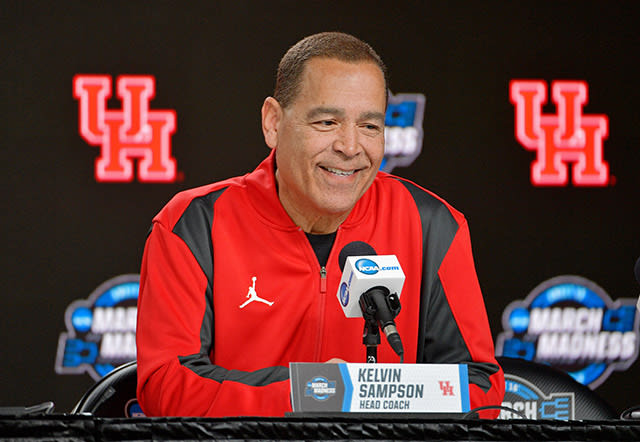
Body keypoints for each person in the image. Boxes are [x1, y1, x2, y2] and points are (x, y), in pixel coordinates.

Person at [136, 32, 505, 417]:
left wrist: (377, 397)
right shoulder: (194, 225)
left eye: (370, 127)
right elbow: (166, 386)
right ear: (273, 123)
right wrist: (310, 392)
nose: (350, 146)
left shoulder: (432, 226)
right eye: (327, 122)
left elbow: (480, 387)